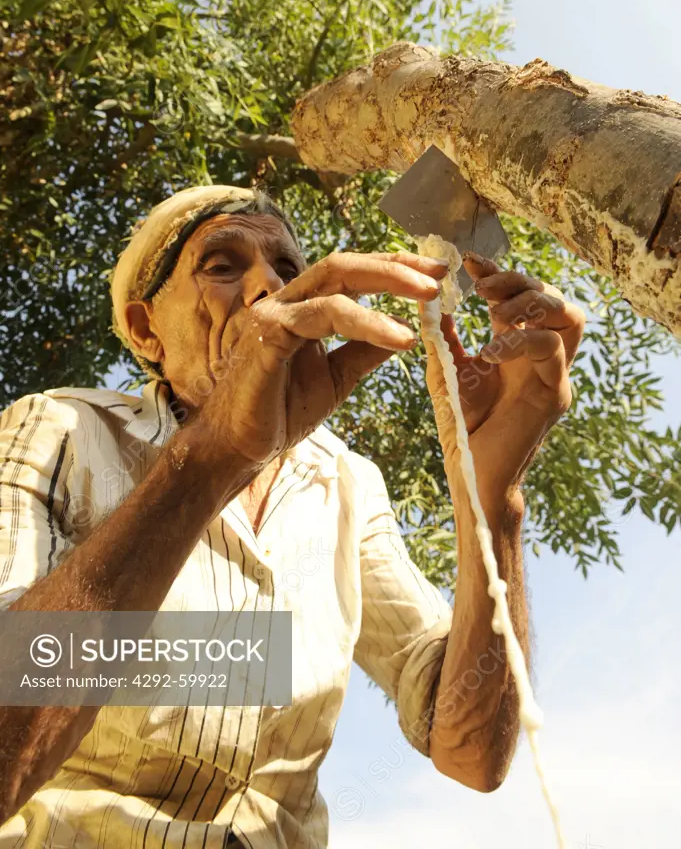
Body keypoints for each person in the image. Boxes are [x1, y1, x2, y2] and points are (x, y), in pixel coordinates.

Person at [0, 184, 585, 848]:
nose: (266, 288)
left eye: (287, 270)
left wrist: (491, 497)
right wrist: (215, 455)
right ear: (144, 329)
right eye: (221, 266)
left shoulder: (343, 484)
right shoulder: (62, 429)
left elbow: (471, 751)